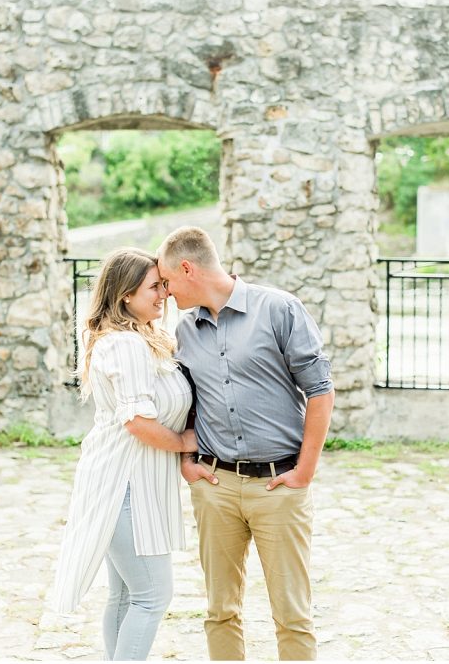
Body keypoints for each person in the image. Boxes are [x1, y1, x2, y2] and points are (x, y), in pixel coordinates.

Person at [157, 226, 335, 661]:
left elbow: (320, 391)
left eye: (166, 280)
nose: (163, 291)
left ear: (187, 268)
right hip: (215, 488)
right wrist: (187, 459)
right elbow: (186, 402)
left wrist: (305, 471)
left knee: (292, 615)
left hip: (279, 487)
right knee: (220, 611)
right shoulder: (184, 330)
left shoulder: (278, 309)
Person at [51, 247, 197, 661]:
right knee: (152, 595)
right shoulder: (126, 346)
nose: (164, 294)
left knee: (124, 595)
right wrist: (187, 443)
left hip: (128, 481)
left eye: (164, 285)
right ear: (124, 296)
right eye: (155, 286)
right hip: (124, 485)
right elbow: (138, 421)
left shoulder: (138, 339)